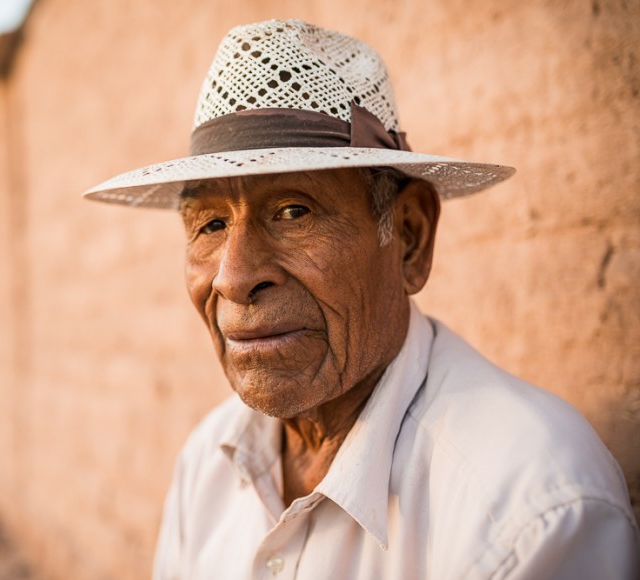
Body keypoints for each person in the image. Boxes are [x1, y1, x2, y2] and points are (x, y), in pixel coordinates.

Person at [84, 19, 639, 579]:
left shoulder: (529, 512)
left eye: (293, 211)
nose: (233, 277)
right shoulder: (209, 459)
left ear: (409, 237)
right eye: (209, 224)